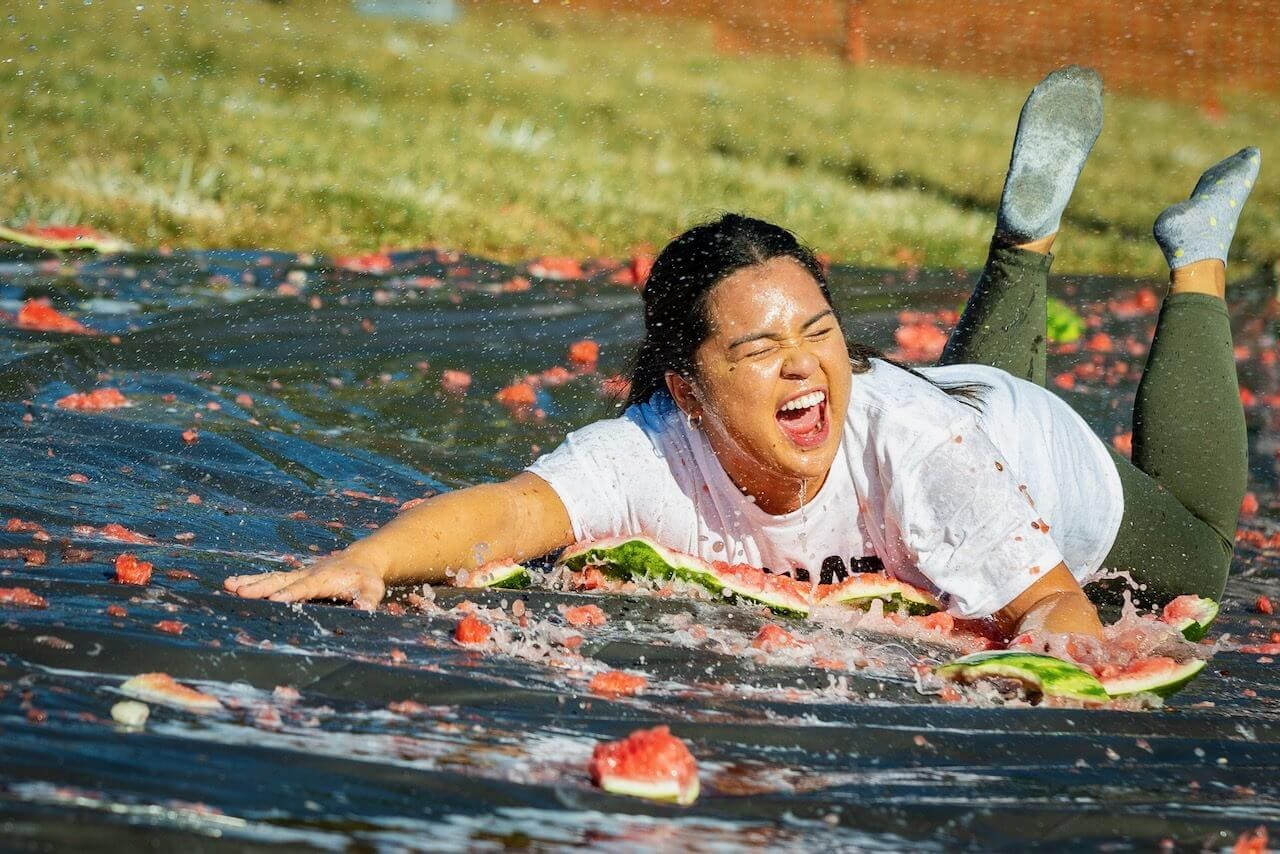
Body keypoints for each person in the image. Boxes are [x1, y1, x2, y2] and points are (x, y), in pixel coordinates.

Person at [225, 66, 1259, 644]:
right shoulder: (649, 448)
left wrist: (1061, 649)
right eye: (761, 347)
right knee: (948, 414)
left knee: (1203, 553)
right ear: (683, 387)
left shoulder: (917, 447)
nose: (803, 362)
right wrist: (363, 561)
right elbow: (505, 512)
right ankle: (1021, 243)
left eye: (818, 331)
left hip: (1011, 447)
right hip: (943, 405)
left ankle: (1195, 259)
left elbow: (1046, 600)